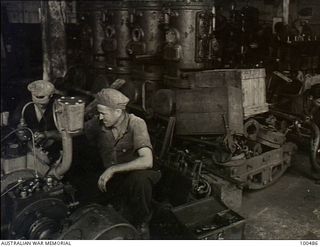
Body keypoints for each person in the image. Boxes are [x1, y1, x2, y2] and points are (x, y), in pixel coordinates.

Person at [84, 88, 161, 238]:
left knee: (141, 180)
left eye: (103, 113)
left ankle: (142, 223)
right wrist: (50, 135)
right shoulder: (99, 123)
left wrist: (113, 169)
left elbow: (147, 160)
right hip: (115, 177)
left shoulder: (136, 123)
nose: (100, 117)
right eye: (99, 113)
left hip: (136, 173)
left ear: (118, 112)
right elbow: (78, 132)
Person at [10, 80, 61, 162]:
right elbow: (14, 126)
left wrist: (47, 134)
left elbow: (66, 134)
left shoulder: (58, 106)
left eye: (42, 97)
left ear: (51, 95)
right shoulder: (24, 106)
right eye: (36, 97)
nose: (39, 101)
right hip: (31, 149)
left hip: (55, 149)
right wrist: (20, 131)